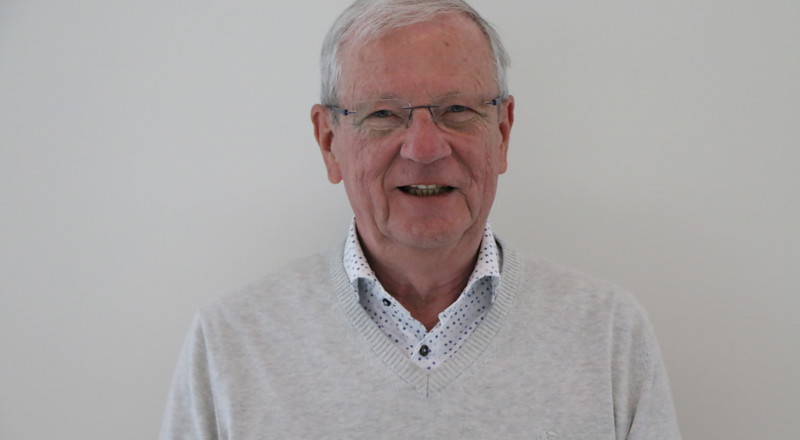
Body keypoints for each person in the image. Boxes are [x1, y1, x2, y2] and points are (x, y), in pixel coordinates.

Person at [160, 0, 681, 438]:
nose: (425, 148)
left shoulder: (608, 334)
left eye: (457, 110)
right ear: (329, 142)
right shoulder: (230, 344)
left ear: (502, 132)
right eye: (383, 114)